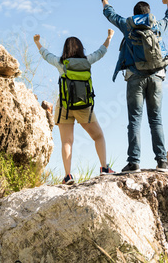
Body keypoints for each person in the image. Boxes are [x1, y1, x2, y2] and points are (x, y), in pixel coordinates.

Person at [101, 0, 168, 173]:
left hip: (135, 77)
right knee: (156, 119)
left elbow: (110, 15)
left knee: (134, 120)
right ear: (149, 13)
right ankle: (162, 162)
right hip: (157, 77)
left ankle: (134, 163)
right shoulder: (156, 26)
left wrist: (105, 0)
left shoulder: (128, 26)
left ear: (135, 14)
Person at [33, 30, 115, 184]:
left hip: (64, 105)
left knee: (67, 141)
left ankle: (67, 176)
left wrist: (37, 42)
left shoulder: (60, 63)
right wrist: (109, 38)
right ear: (80, 48)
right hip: (84, 106)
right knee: (98, 136)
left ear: (65, 49)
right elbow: (101, 52)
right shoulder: (87, 61)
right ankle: (104, 168)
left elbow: (45, 55)